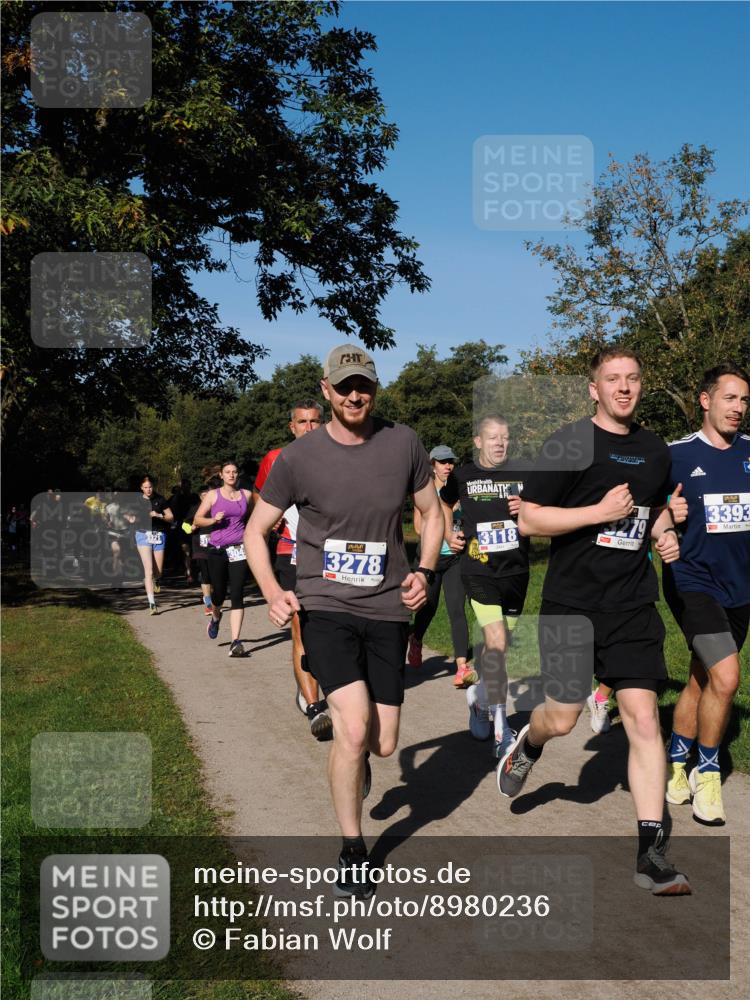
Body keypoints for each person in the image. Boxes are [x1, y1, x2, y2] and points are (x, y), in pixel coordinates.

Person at [245, 343, 443, 898]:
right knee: (351, 727)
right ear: (327, 390)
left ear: (375, 388)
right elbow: (253, 533)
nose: (356, 394)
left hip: (386, 607)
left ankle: (355, 764)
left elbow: (433, 512)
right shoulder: (299, 458)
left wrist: (425, 569)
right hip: (325, 605)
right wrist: (273, 592)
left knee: (383, 744)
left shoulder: (403, 443)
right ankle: (352, 846)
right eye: (345, 386)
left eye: (365, 385)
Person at [498, 347, 691, 896]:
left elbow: (650, 510)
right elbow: (531, 519)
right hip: (571, 602)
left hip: (632, 603)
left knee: (645, 719)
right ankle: (528, 745)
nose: (624, 388)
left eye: (633, 378)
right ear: (594, 388)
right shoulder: (569, 442)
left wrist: (664, 531)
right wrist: (596, 514)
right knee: (560, 718)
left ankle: (651, 854)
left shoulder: (655, 450)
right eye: (613, 379)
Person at [662, 362, 750, 826]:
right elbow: (642, 509)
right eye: (729, 398)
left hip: (741, 588)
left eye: (743, 400)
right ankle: (707, 774)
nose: (738, 409)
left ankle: (675, 764)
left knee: (703, 677)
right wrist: (664, 515)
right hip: (691, 583)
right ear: (705, 400)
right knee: (729, 676)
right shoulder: (675, 455)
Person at [440, 417, 531, 759]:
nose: (499, 444)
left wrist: (528, 507)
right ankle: (501, 729)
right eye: (492, 438)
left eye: (505, 438)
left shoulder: (525, 474)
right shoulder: (462, 475)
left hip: (516, 572)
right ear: (478, 441)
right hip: (478, 570)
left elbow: (548, 511)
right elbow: (443, 502)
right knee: (495, 642)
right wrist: (450, 532)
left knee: (499, 650)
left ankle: (479, 701)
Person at [253, 399, 333, 741]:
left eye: (315, 421)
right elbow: (259, 498)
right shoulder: (276, 459)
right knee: (301, 627)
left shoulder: (337, 455)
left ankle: (323, 681)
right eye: (303, 422)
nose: (309, 428)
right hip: (292, 551)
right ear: (292, 427)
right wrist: (270, 521)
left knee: (330, 625)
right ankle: (315, 707)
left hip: (331, 555)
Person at [406, 444, 474, 688]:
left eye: (451, 462)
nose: (448, 466)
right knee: (429, 606)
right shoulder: (424, 491)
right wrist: (440, 521)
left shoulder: (458, 490)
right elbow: (416, 527)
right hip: (431, 559)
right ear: (432, 465)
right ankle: (416, 638)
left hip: (456, 558)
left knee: (457, 609)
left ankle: (462, 667)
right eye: (443, 462)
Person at [194, 461, 252, 657]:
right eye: (227, 472)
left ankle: (235, 641)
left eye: (235, 472)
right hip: (217, 550)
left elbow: (255, 518)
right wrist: (213, 520)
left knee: (237, 593)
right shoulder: (213, 495)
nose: (231, 475)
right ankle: (216, 617)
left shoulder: (246, 495)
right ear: (221, 475)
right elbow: (197, 519)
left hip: (239, 550)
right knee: (218, 593)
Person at [135, 476, 173, 614]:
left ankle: (157, 580)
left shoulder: (160, 499)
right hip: (142, 534)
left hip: (158, 534)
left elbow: (171, 517)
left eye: (150, 487)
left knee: (158, 571)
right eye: (145, 487)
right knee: (148, 570)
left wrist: (159, 515)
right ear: (141, 488)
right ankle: (152, 604)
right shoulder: (136, 500)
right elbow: (130, 516)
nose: (148, 489)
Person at [183, 478, 221, 616]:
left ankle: (215, 599)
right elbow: (185, 524)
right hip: (199, 544)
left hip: (216, 544)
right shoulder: (195, 508)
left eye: (209, 494)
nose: (207, 498)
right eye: (204, 495)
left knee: (215, 574)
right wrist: (191, 528)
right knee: (205, 574)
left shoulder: (218, 506)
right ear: (200, 497)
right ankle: (208, 603)